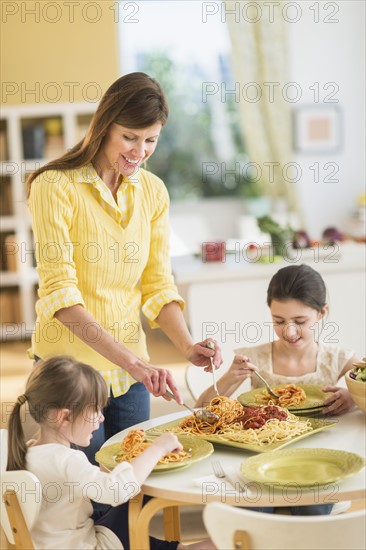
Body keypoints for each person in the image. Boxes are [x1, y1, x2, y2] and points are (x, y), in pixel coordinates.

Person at [27, 72, 222, 462]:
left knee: (135, 485)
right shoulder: (54, 186)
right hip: (71, 374)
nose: (140, 151)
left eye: (150, 140)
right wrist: (135, 363)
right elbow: (60, 295)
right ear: (104, 126)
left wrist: (186, 345)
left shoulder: (153, 192)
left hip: (132, 375)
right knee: (84, 497)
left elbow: (157, 283)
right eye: (130, 137)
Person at [195, 264, 360, 515]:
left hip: (316, 463)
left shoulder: (338, 358)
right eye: (279, 321)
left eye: (300, 321)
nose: (289, 331)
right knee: (253, 515)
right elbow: (200, 410)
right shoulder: (253, 358)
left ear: (322, 313)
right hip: (258, 464)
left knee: (310, 514)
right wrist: (229, 378)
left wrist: (354, 397)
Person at [7, 356, 215, 550]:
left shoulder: (27, 449)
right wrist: (158, 447)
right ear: (65, 417)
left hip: (56, 541)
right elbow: (117, 491)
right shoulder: (67, 460)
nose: (101, 418)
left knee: (122, 501)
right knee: (137, 496)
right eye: (95, 410)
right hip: (85, 545)